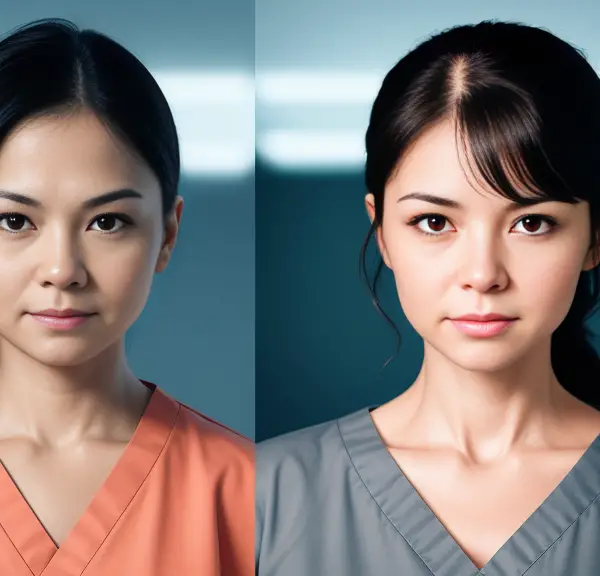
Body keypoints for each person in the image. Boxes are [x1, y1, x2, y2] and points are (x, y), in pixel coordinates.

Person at [256, 20, 600, 575]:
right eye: (435, 221)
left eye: (532, 223)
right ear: (384, 232)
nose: (483, 274)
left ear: (593, 240)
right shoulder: (263, 495)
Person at [0, 18, 253, 576]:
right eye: (15, 220)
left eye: (108, 222)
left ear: (167, 233)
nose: (62, 270)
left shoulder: (244, 490)